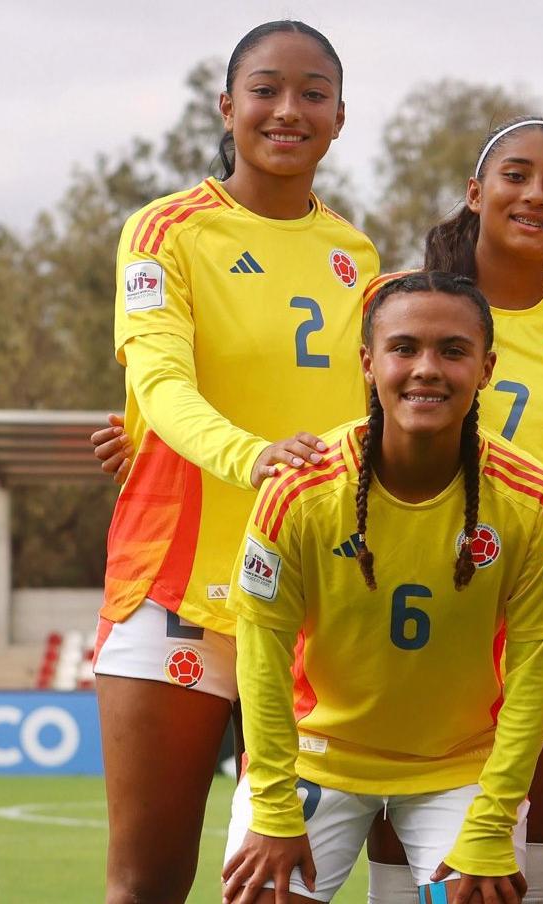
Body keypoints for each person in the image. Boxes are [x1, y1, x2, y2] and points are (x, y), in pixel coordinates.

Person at [94, 20, 376, 903]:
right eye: (265, 89)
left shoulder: (359, 258)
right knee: (148, 884)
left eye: (313, 93)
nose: (288, 110)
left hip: (311, 603)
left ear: (338, 117)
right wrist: (254, 459)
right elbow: (164, 381)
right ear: (228, 106)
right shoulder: (166, 231)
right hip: (179, 590)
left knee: (276, 888)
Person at [220, 271, 543, 904]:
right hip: (315, 757)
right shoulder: (300, 490)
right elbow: (261, 654)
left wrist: (493, 821)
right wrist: (274, 807)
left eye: (453, 351)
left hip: (458, 766)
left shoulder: (532, 500)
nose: (427, 369)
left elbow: (535, 671)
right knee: (264, 895)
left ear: (487, 367)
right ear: (368, 362)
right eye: (405, 348)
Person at [354, 116, 543, 904]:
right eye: (516, 175)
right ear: (476, 192)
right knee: (408, 890)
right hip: (412, 633)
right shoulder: (392, 304)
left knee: (525, 890)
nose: (536, 194)